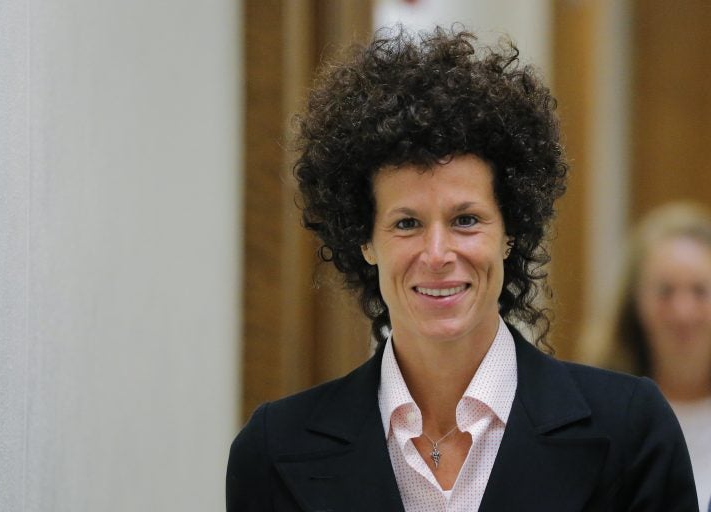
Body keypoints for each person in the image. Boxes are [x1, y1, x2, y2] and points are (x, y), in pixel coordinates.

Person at [227, 26, 698, 511]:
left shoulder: (629, 429)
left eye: (465, 220)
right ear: (364, 240)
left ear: (510, 231)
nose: (437, 254)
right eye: (407, 223)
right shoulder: (274, 451)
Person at [581, 201, 711, 511]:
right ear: (634, 304)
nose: (683, 312)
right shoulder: (594, 416)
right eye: (665, 292)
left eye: (700, 291)